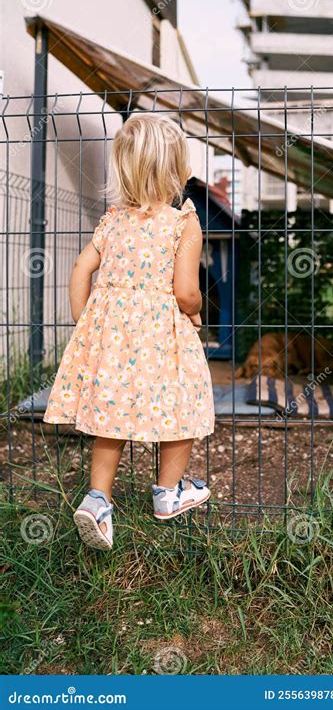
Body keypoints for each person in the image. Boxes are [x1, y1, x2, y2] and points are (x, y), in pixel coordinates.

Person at [43, 114, 214, 550]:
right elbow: (186, 291)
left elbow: (81, 269)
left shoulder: (113, 220)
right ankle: (168, 493)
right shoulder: (183, 222)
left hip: (113, 343)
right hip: (164, 341)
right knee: (182, 407)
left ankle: (98, 501)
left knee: (110, 416)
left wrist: (86, 325)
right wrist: (195, 313)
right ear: (176, 169)